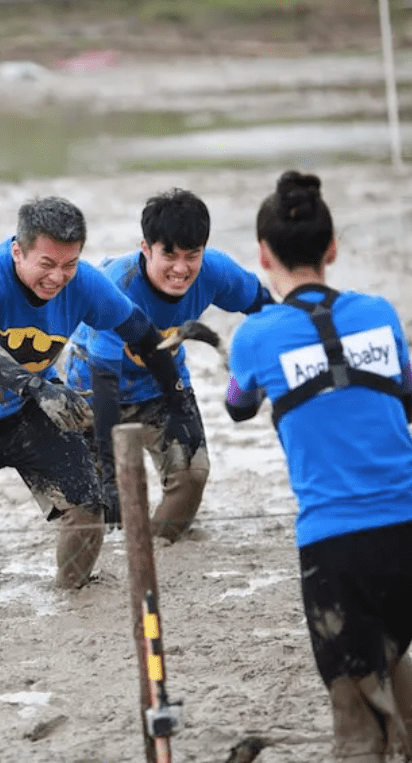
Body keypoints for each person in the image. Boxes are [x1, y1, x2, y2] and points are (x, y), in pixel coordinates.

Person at [225, 171, 412, 763]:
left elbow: (238, 407)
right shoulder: (380, 313)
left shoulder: (255, 335)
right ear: (332, 249)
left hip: (341, 548)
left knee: (355, 720)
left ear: (262, 254)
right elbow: (406, 405)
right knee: (384, 652)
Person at [0, 196, 186, 592]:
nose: (58, 277)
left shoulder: (86, 283)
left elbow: (142, 334)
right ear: (17, 251)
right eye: (46, 264)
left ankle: (73, 597)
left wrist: (175, 393)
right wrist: (37, 386)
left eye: (69, 264)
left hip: (31, 409)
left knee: (86, 507)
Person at [61, 188, 272, 541]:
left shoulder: (217, 272)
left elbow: (270, 310)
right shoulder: (116, 286)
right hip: (94, 387)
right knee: (92, 506)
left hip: (164, 382)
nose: (181, 269)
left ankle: (156, 551)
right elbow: (105, 384)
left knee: (193, 475)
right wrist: (112, 478)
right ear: (146, 248)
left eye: (192, 255)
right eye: (169, 255)